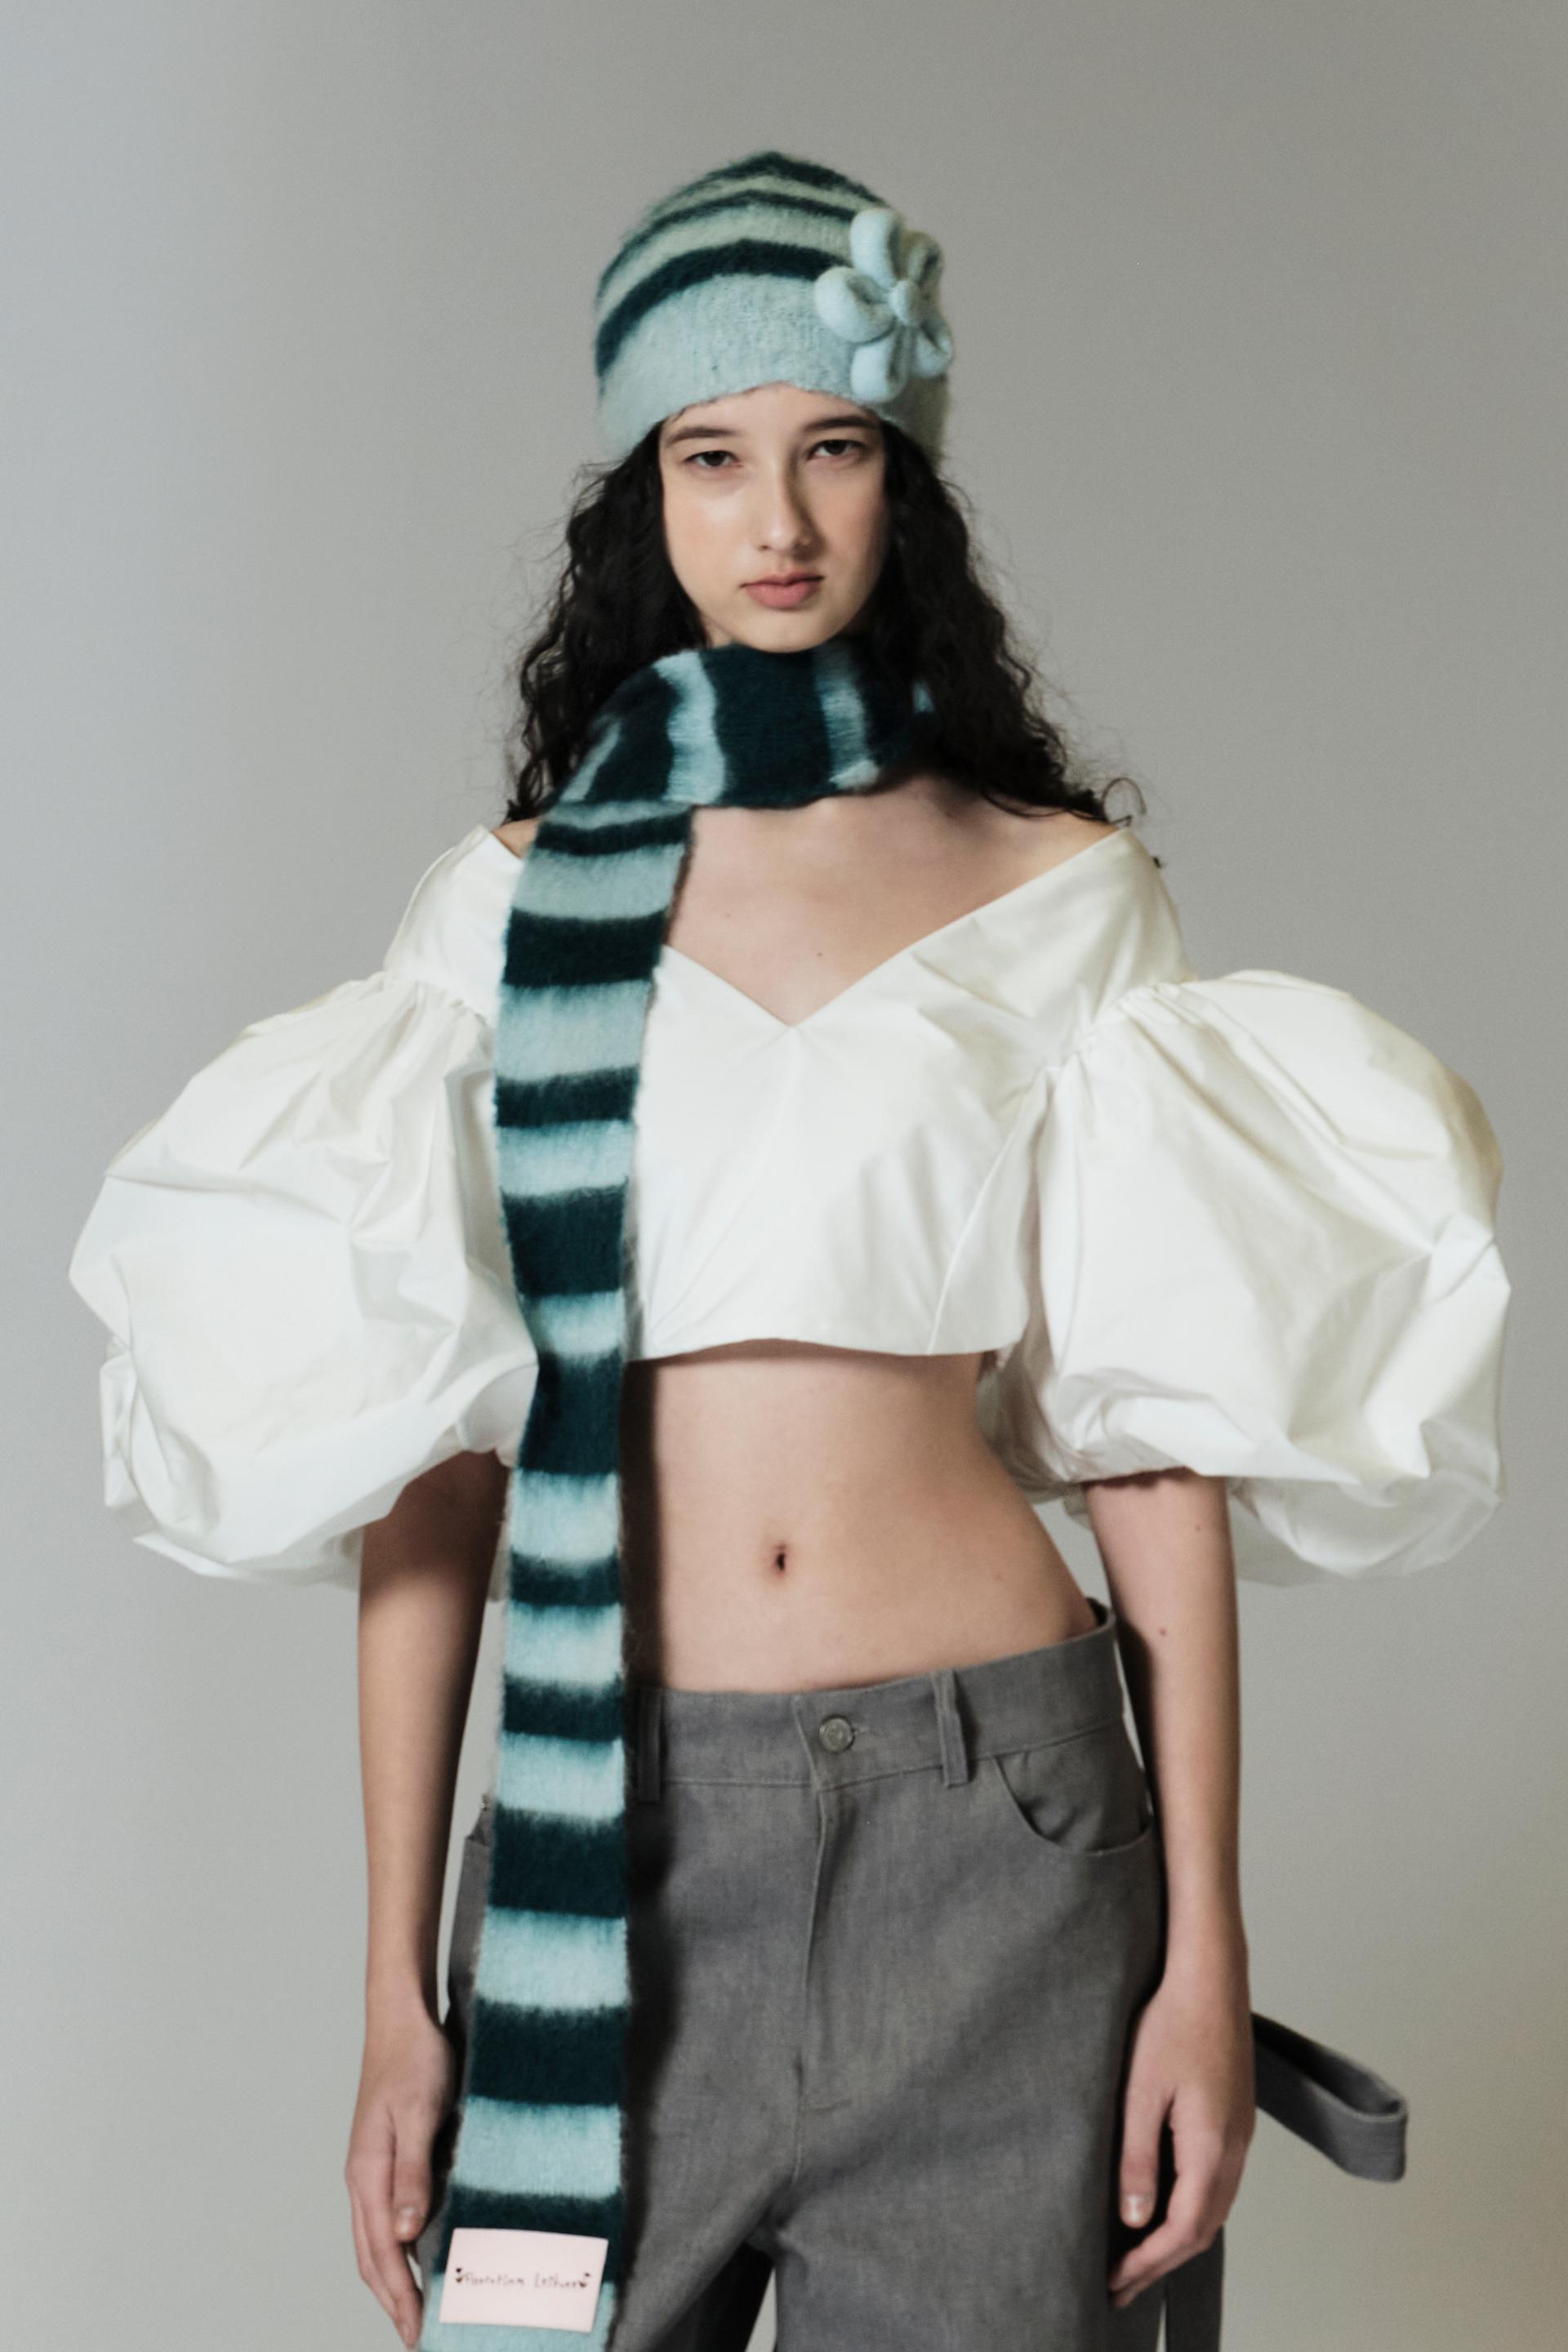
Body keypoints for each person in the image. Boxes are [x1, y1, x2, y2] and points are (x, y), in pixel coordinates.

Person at [67, 151, 1510, 2352]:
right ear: (642, 488)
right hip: (615, 1843)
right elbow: (433, 1472)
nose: (778, 518)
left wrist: (1205, 1953)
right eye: (712, 455)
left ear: (902, 476)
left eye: (833, 448)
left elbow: (1155, 1453)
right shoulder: (507, 912)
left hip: (999, 1836)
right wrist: (396, 1994)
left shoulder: (1062, 896)